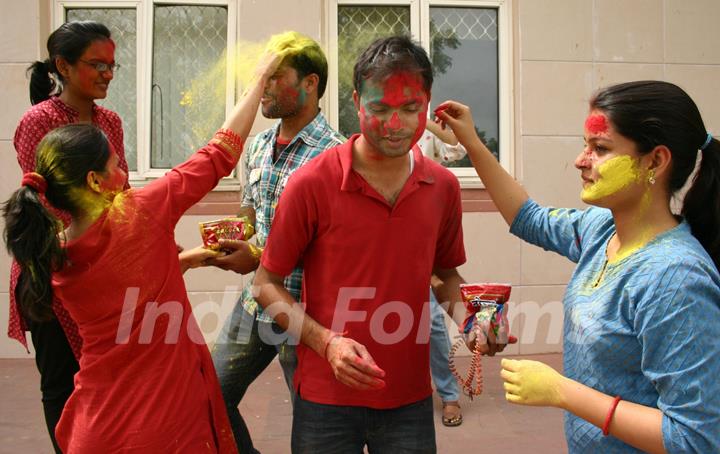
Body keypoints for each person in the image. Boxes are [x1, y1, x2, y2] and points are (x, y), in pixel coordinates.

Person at [2, 52, 282, 453]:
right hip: (161, 421)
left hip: (98, 424)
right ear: (95, 181)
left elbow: (124, 293)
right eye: (116, 165)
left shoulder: (54, 251)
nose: (125, 175)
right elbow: (219, 153)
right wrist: (258, 80)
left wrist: (185, 260)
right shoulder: (139, 213)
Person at [252, 36, 509, 453]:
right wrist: (327, 343)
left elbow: (445, 276)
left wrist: (472, 322)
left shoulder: (442, 187)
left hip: (408, 400)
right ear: (356, 101)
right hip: (325, 399)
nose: (396, 125)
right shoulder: (311, 184)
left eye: (410, 109)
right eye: (380, 108)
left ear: (427, 103)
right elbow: (265, 285)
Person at [435, 80, 720, 452]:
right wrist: (472, 143)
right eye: (585, 145)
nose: (580, 160)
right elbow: (528, 218)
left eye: (600, 148)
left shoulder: (675, 278)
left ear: (656, 161)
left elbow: (694, 439)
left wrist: (563, 392)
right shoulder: (603, 230)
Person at [206, 31, 344, 453]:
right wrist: (232, 235)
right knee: (208, 394)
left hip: (307, 313)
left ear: (310, 84)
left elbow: (332, 245)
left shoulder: (336, 157)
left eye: (274, 76)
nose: (262, 86)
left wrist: (257, 257)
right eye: (259, 76)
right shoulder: (260, 146)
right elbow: (251, 209)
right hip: (255, 304)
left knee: (317, 428)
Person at [7, 20, 130, 453]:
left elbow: (121, 192)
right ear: (62, 65)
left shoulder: (109, 122)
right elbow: (49, 203)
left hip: (101, 271)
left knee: (104, 377)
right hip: (51, 273)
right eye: (96, 64)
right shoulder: (38, 121)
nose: (108, 74)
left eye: (112, 65)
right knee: (61, 383)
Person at [419, 121, 468, 426]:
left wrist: (425, 121)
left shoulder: (428, 127)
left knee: (433, 323)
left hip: (425, 232)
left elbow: (456, 150)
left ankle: (449, 396)